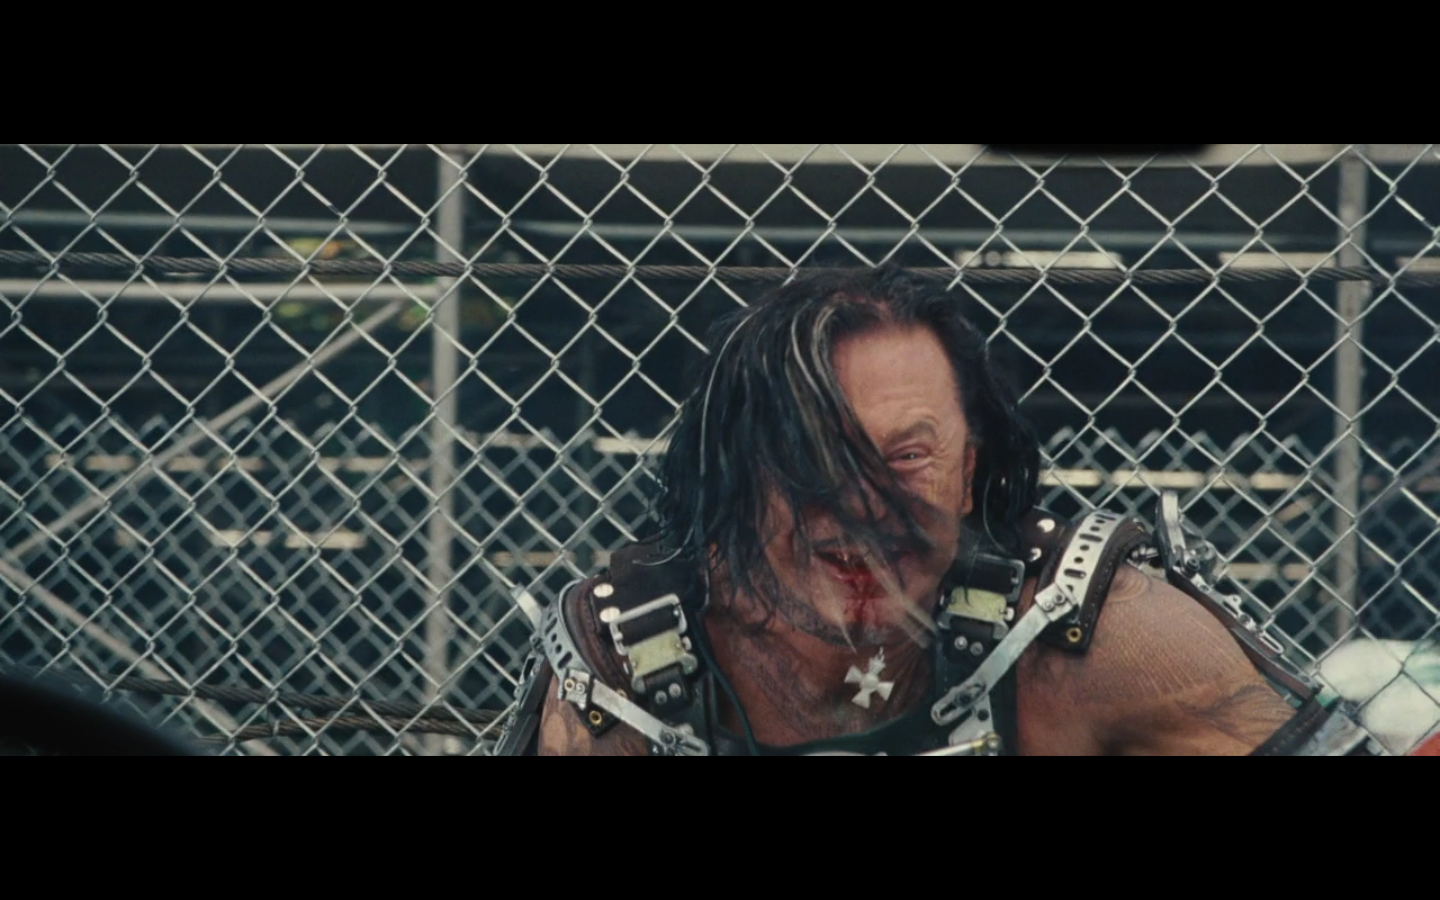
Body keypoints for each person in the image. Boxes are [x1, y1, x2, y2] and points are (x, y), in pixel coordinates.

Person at [495, 266, 1345, 757]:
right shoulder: (628, 667)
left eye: (906, 458)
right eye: (813, 458)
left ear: (968, 477)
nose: (864, 506)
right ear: (737, 480)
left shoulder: (1087, 635)